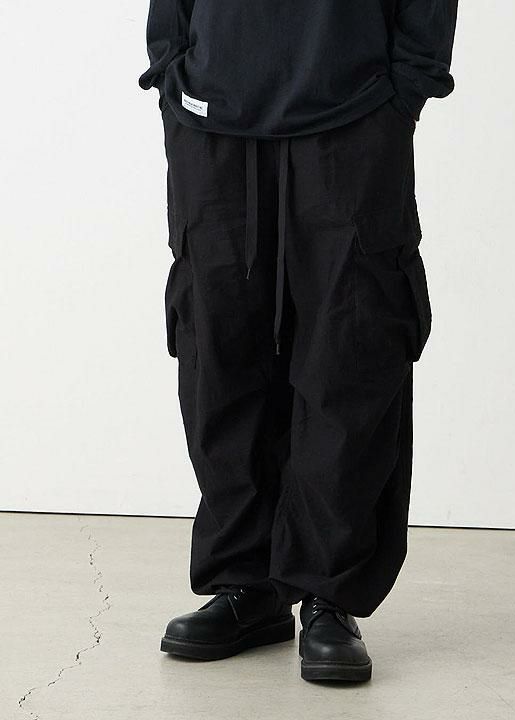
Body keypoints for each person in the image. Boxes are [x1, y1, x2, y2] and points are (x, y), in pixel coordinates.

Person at [139, 0, 458, 683]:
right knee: (217, 352)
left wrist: (407, 87)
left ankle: (328, 594)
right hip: (210, 113)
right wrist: (170, 69)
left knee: (351, 351)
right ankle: (245, 585)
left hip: (352, 109)